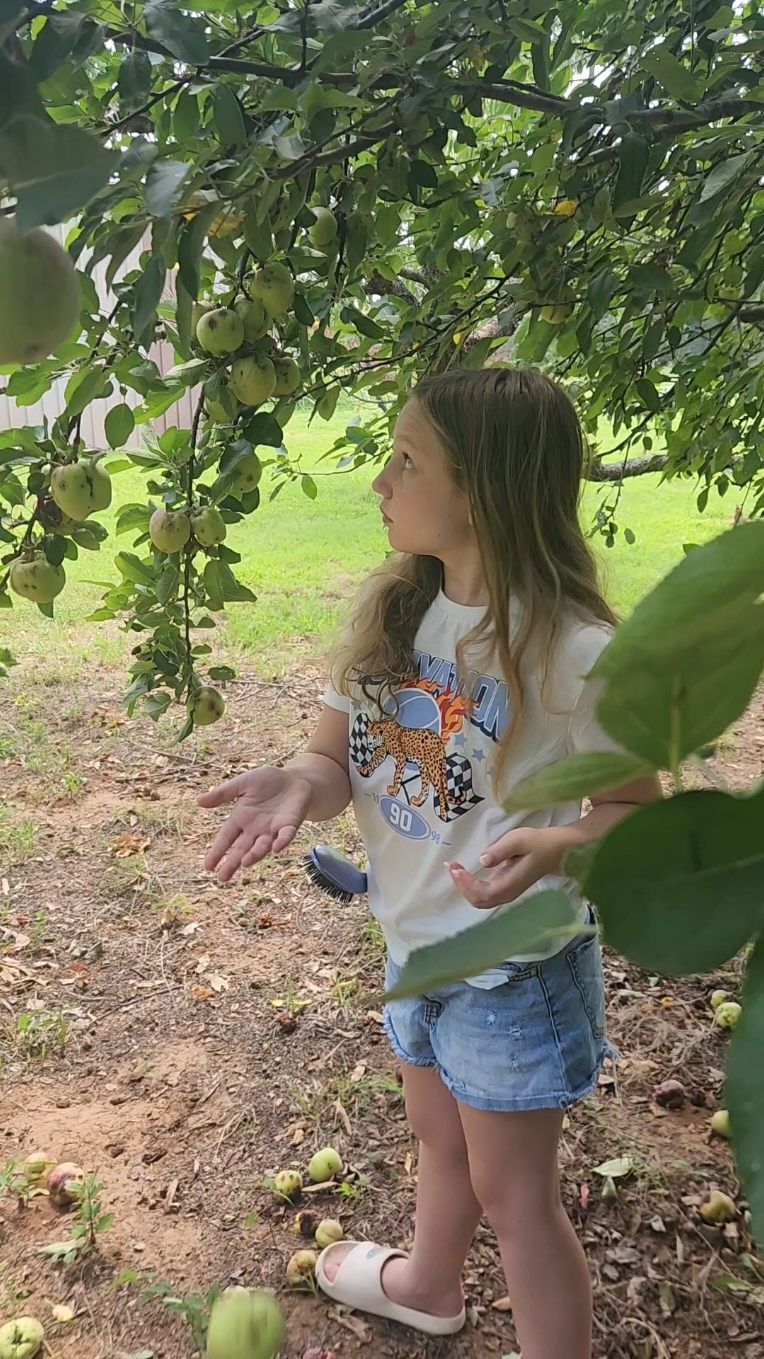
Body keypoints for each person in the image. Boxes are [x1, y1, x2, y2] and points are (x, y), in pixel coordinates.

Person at [198, 367, 660, 1359]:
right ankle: (427, 1284)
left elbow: (628, 814)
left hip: (512, 970)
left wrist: (561, 849)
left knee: (516, 1198)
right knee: (436, 1139)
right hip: (413, 949)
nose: (379, 480)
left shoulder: (577, 652)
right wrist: (296, 785)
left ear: (483, 491)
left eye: (406, 460)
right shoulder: (397, 616)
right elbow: (331, 757)